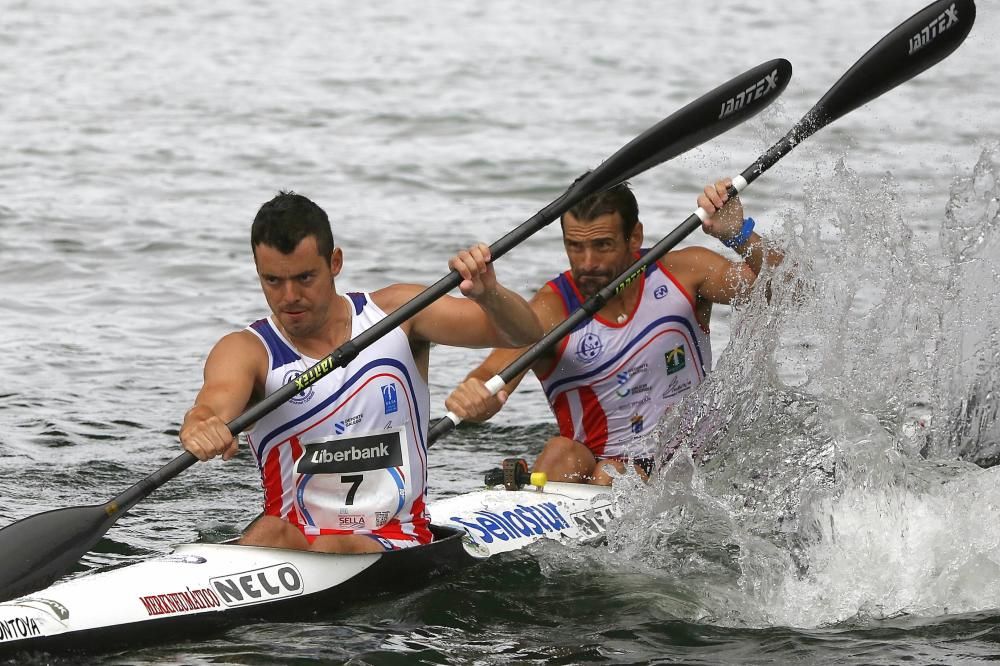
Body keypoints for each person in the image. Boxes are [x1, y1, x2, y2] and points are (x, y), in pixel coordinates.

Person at [180, 191, 542, 553]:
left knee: (326, 547)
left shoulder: (400, 315)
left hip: (398, 540)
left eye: (305, 278)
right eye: (273, 281)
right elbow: (211, 406)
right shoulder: (247, 349)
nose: (289, 296)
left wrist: (488, 293)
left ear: (335, 262)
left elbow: (525, 334)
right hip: (292, 541)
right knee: (269, 532)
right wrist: (202, 427)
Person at [444, 177, 784, 485]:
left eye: (603, 245)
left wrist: (738, 234)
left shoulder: (684, 272)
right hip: (598, 474)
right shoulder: (551, 310)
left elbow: (789, 288)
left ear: (634, 236)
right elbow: (490, 379)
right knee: (562, 454)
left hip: (694, 462)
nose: (587, 262)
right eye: (575, 246)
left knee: (614, 474)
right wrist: (473, 398)